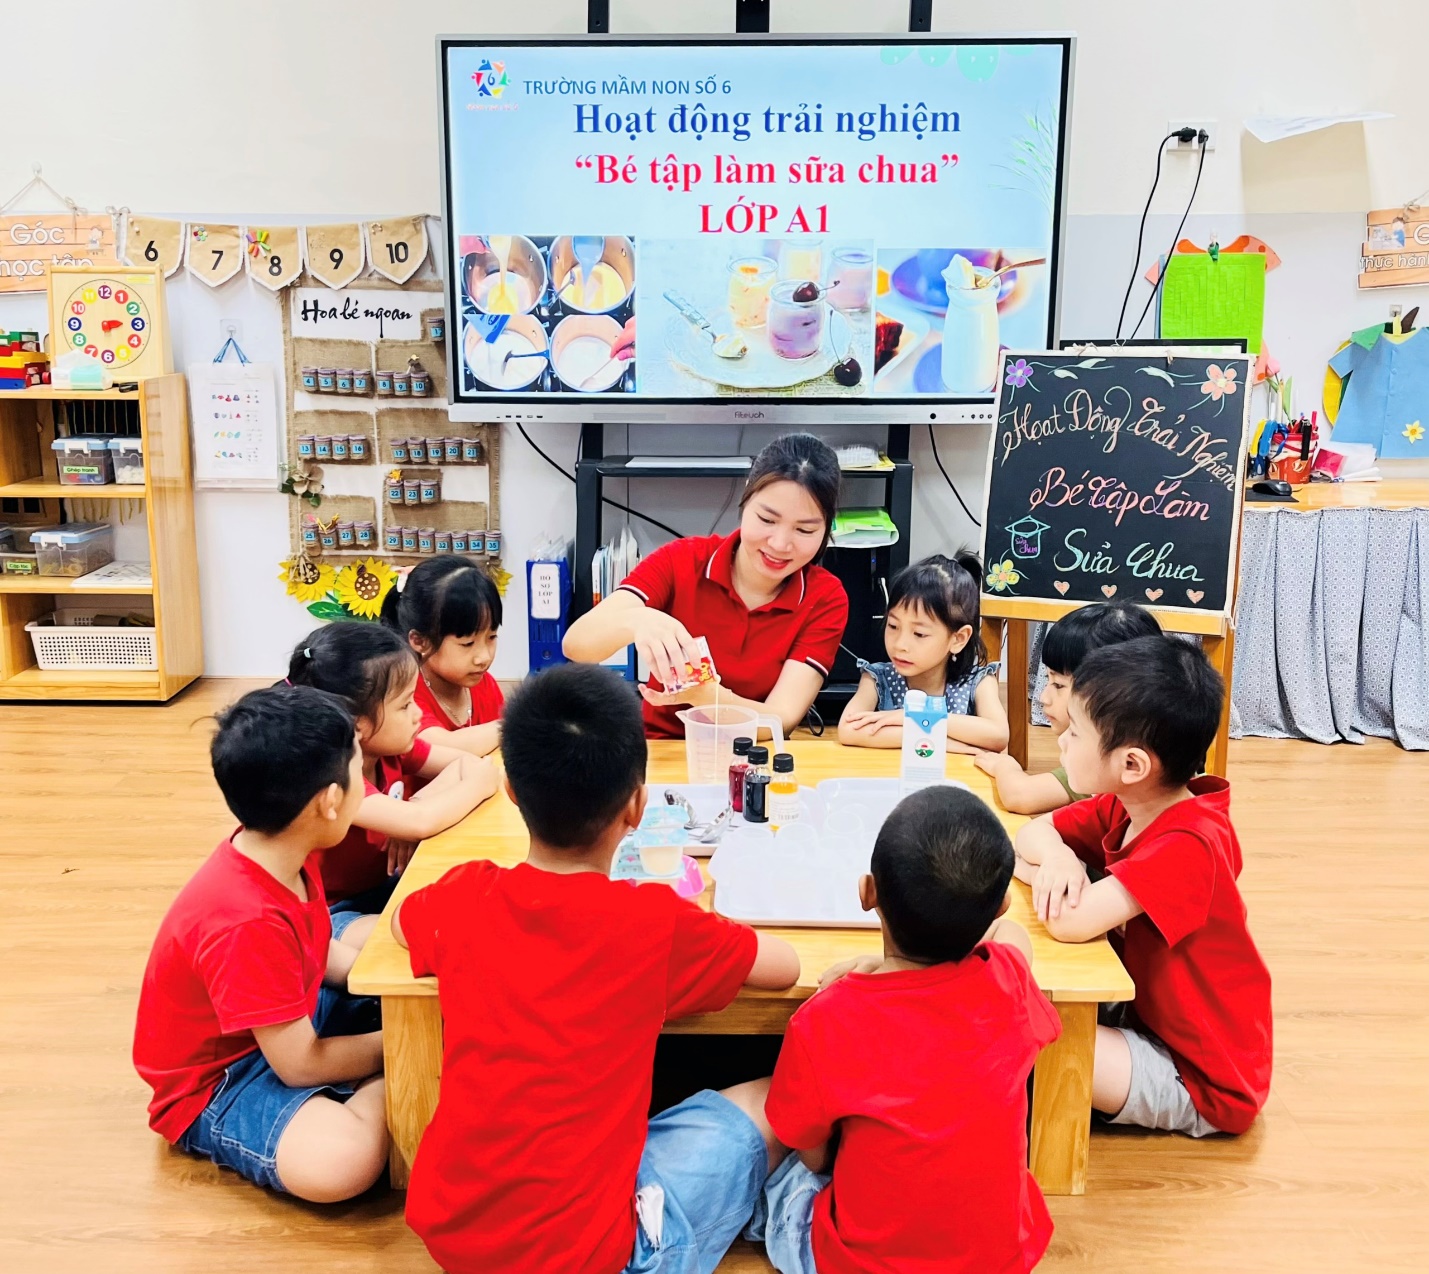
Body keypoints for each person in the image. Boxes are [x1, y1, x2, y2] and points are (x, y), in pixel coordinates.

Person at [391, 662, 801, 1273]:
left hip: (456, 1234)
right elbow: (786, 967)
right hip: (595, 1255)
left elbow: (403, 924)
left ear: (511, 790)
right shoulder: (652, 922)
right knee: (776, 1098)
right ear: (636, 807)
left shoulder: (467, 896)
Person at [745, 786, 1060, 1274]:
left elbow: (812, 1157)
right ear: (997, 909)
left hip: (865, 1263)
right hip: (998, 1259)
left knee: (779, 1178)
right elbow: (1014, 938)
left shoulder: (825, 1020)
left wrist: (882, 968)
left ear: (868, 893)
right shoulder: (1009, 982)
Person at [132, 685, 388, 1202]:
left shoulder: (285, 845)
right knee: (343, 1162)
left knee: (394, 989)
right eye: (360, 772)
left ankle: (384, 1083)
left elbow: (324, 953)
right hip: (222, 1079)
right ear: (331, 802)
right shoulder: (244, 920)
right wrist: (407, 1042)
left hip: (284, 1024)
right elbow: (300, 1063)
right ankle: (394, 1087)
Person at [1013, 636, 1273, 1136]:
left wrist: (1047, 868)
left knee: (1023, 1029)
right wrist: (1059, 857)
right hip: (1147, 1015)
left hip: (1201, 1075)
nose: (1062, 741)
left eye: (1077, 734)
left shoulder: (1189, 843)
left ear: (1132, 764)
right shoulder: (1131, 802)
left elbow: (1069, 921)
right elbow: (1033, 831)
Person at [562, 433, 850, 738]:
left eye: (804, 529)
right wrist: (638, 620)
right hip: (665, 749)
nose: (780, 544)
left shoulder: (826, 597)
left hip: (755, 755)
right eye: (767, 520)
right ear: (746, 501)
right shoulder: (682, 560)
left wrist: (704, 695)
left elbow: (780, 720)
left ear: (826, 529)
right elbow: (577, 644)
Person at [286, 622, 497, 915]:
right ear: (356, 723)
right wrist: (410, 819)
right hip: (333, 913)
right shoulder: (334, 779)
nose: (418, 714)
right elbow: (424, 820)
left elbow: (465, 764)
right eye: (405, 705)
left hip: (388, 884)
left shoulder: (391, 751)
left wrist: (410, 809)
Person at [975, 601, 1163, 813]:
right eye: (1047, 680)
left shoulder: (1107, 761)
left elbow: (1020, 796)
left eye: (1058, 684)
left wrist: (1004, 765)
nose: (1044, 698)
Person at [838, 552, 1008, 754]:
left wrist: (914, 718)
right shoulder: (877, 678)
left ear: (958, 639)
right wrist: (942, 741)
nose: (900, 644)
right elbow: (848, 730)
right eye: (893, 626)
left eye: (919, 633)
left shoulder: (977, 682)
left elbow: (998, 735)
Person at [380, 555, 504, 757]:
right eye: (467, 643)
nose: (484, 657)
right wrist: (517, 723)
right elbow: (439, 747)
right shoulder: (404, 693)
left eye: (491, 637)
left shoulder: (484, 684)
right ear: (420, 641)